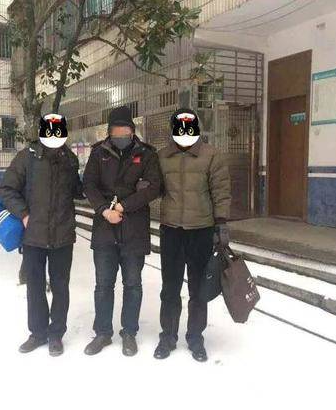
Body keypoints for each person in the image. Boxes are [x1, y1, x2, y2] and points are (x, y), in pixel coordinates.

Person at [0, 113, 83, 357]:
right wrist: (24, 214)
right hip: (33, 235)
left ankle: (56, 334)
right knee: (35, 286)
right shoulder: (27, 157)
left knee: (60, 286)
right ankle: (37, 333)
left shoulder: (69, 159)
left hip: (63, 235)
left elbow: (76, 190)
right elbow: (7, 189)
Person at [83, 106, 162, 357]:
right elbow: (89, 185)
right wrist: (104, 210)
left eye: (124, 131)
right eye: (115, 132)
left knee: (133, 284)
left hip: (134, 230)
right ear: (109, 132)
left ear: (132, 130)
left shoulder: (147, 154)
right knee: (103, 285)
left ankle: (129, 333)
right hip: (105, 229)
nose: (120, 135)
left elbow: (153, 188)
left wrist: (124, 206)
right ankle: (102, 333)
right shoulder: (98, 153)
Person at [154, 108, 231, 362]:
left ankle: (196, 338)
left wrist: (221, 225)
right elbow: (155, 188)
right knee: (170, 288)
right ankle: (167, 337)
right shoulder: (162, 156)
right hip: (171, 231)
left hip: (201, 231)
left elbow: (221, 191)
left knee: (198, 289)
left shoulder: (212, 155)